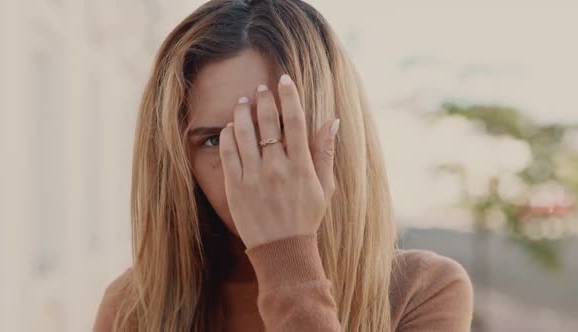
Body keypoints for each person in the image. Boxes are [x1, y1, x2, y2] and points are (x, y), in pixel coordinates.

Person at [92, 0, 473, 331]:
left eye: (275, 133)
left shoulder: (423, 291)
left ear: (333, 138)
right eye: (214, 140)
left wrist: (286, 259)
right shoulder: (133, 309)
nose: (253, 170)